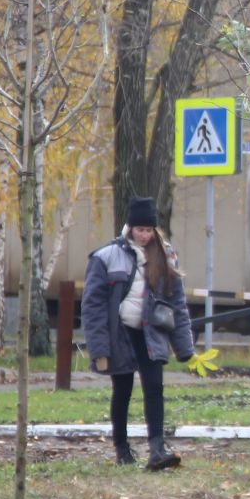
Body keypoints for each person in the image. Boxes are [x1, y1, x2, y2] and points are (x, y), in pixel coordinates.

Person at [81, 197, 197, 471]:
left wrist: (184, 347)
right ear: (130, 227)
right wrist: (99, 350)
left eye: (148, 230)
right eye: (139, 230)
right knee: (122, 390)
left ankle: (157, 449)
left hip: (151, 333)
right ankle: (122, 448)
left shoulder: (166, 254)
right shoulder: (107, 256)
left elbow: (177, 303)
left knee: (155, 387)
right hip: (119, 334)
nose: (144, 235)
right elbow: (92, 306)